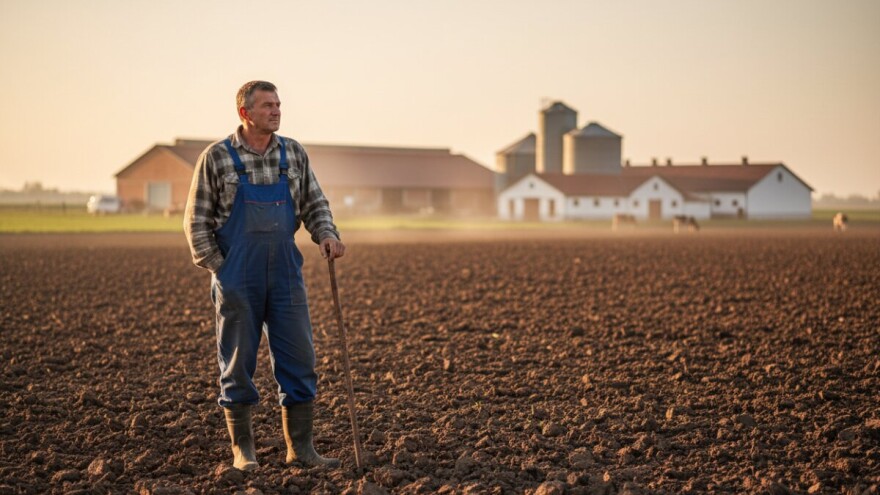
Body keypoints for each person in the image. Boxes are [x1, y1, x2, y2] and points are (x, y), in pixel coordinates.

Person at [184, 80, 345, 471]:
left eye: (278, 104)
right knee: (238, 363)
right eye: (267, 105)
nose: (276, 111)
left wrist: (326, 233)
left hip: (286, 273)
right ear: (245, 112)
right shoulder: (217, 158)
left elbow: (314, 201)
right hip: (237, 274)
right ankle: (243, 451)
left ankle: (301, 450)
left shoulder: (292, 153)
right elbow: (196, 221)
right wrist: (221, 269)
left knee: (300, 358)